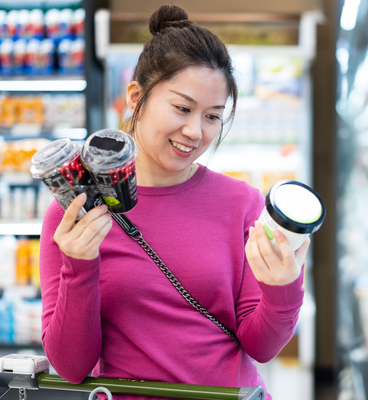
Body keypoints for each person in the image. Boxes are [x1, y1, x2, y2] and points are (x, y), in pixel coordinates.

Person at [39, 5, 310, 400]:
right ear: (136, 97)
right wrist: (79, 266)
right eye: (182, 108)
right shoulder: (74, 211)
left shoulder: (242, 203)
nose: (195, 131)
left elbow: (261, 347)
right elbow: (71, 365)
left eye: (213, 116)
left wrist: (284, 288)